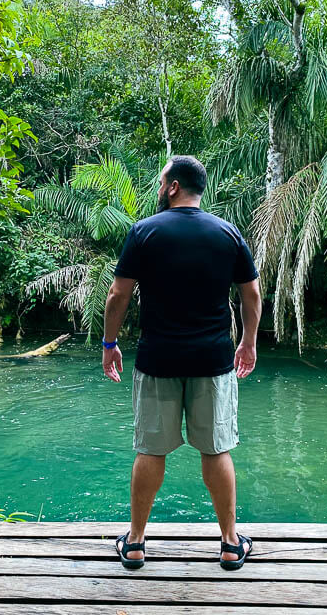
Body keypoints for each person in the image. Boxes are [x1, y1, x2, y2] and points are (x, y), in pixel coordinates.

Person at [101, 155, 262, 571]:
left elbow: (118, 295)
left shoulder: (145, 232)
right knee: (217, 449)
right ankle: (229, 544)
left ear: (173, 186)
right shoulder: (227, 233)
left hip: (158, 360)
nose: (159, 188)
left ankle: (135, 544)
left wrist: (109, 342)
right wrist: (248, 343)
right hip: (213, 360)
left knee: (151, 450)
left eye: (160, 182)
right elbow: (252, 295)